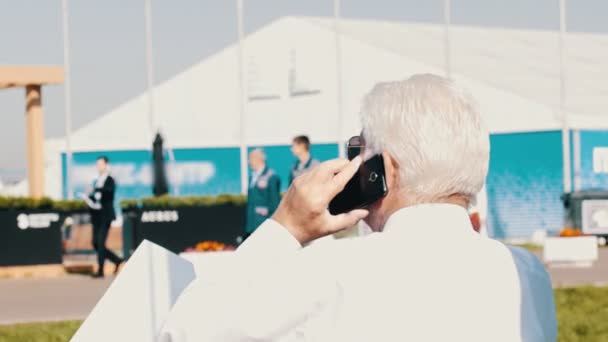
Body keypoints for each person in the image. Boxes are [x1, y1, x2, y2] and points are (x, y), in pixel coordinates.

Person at [159, 75, 557, 341]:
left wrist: (285, 227)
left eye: (357, 151)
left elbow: (181, 332)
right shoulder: (526, 274)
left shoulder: (330, 271)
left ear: (379, 172)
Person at [86, 156, 123, 278]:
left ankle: (100, 270)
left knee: (101, 242)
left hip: (105, 216)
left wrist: (96, 189)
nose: (99, 167)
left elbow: (108, 191)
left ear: (106, 165)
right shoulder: (96, 180)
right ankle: (117, 259)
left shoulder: (109, 179)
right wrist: (88, 196)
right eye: (97, 164)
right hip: (96, 215)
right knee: (95, 243)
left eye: (101, 164)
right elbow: (96, 197)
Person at [244, 149, 281, 239]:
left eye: (251, 158)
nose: (249, 162)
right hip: (253, 224)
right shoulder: (252, 177)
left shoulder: (271, 176)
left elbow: (275, 202)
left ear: (259, 159)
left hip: (265, 224)